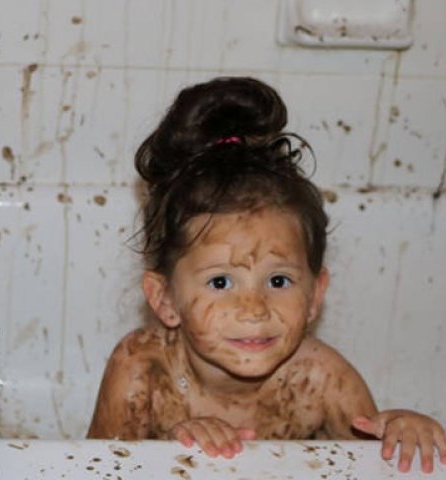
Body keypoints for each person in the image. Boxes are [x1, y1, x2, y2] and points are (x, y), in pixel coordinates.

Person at [86, 76, 446, 473]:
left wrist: (402, 431)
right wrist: (171, 452)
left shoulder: (322, 379)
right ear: (164, 300)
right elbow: (94, 469)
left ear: (315, 294)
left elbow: (367, 466)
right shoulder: (142, 370)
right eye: (220, 282)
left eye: (278, 281)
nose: (254, 309)